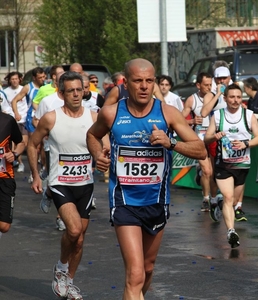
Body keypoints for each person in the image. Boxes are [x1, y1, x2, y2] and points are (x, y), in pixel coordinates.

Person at [86, 58, 206, 299]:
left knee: (148, 269)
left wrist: (170, 142)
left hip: (156, 201)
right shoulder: (111, 113)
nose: (143, 86)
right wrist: (98, 154)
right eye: (137, 81)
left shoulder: (167, 113)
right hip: (124, 202)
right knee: (135, 273)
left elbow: (200, 150)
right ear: (125, 84)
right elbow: (92, 135)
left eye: (149, 81)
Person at [27, 71, 105, 300]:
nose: (75, 94)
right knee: (73, 230)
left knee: (79, 240)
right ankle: (61, 268)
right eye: (70, 91)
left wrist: (102, 155)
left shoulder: (93, 117)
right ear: (61, 94)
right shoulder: (51, 118)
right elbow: (33, 145)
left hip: (85, 184)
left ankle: (69, 281)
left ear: (84, 91)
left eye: (79, 90)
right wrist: (36, 175)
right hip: (61, 181)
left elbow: (104, 143)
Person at [204, 83, 258, 248]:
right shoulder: (218, 115)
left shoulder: (248, 115)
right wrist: (215, 136)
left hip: (242, 164)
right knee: (229, 197)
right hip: (223, 164)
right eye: (232, 97)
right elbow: (206, 138)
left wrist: (246, 144)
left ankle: (222, 207)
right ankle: (231, 231)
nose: (235, 100)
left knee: (234, 200)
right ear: (225, 98)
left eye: (238, 97)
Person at [202, 66, 248, 221]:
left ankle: (238, 205)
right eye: (218, 79)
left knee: (240, 168)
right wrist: (219, 94)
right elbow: (203, 113)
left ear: (229, 78)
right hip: (218, 138)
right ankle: (214, 199)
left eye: (224, 78)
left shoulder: (235, 93)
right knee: (216, 171)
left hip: (236, 138)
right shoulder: (211, 94)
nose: (221, 81)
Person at [33, 71, 66, 231]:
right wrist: (44, 131)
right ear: (57, 83)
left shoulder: (79, 101)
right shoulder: (48, 101)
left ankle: (49, 194)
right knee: (58, 179)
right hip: (52, 148)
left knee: (69, 181)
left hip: (76, 149)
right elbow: (36, 119)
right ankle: (61, 215)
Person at [181, 72, 219, 212]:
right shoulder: (192, 100)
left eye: (211, 84)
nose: (209, 88)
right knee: (207, 170)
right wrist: (191, 121)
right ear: (198, 85)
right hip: (200, 138)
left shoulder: (217, 97)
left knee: (214, 171)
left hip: (214, 137)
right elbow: (178, 119)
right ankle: (206, 198)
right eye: (206, 85)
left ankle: (214, 198)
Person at [0, 110, 25, 238]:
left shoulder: (7, 121)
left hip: (5, 177)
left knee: (4, 226)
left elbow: (21, 143)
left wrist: (14, 154)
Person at [3, 71, 26, 172]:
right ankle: (18, 162)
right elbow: (5, 107)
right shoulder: (6, 92)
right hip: (11, 121)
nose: (14, 81)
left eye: (16, 79)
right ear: (9, 81)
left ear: (19, 79)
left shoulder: (24, 89)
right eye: (12, 79)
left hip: (24, 120)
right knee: (13, 144)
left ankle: (17, 159)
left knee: (23, 143)